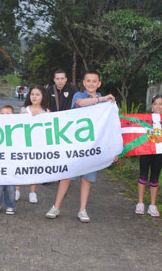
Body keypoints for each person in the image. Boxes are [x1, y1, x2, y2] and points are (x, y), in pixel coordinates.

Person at [45, 70, 115, 223]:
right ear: (83, 83)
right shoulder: (79, 96)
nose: (91, 84)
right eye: (88, 81)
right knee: (66, 176)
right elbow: (80, 104)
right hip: (75, 146)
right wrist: (101, 98)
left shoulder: (106, 103)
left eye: (94, 81)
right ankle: (56, 206)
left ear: (99, 83)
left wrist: (113, 149)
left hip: (92, 146)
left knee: (87, 179)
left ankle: (82, 209)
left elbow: (110, 125)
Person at [16, 85, 50, 203]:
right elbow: (17, 127)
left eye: (37, 94)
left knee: (33, 168)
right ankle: (17, 189)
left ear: (42, 96)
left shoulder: (46, 112)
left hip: (38, 145)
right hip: (23, 144)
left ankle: (32, 192)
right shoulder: (24, 110)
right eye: (32, 94)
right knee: (20, 166)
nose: (34, 97)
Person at [135, 94, 162, 217]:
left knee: (155, 178)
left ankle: (152, 205)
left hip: (159, 152)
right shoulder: (146, 119)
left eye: (160, 104)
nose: (158, 106)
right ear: (152, 105)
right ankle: (140, 203)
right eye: (155, 104)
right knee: (143, 176)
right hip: (145, 151)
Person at [0, 105, 16, 214]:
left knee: (10, 185)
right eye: (2, 113)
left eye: (8, 113)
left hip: (11, 161)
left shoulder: (17, 127)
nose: (4, 115)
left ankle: (10, 205)